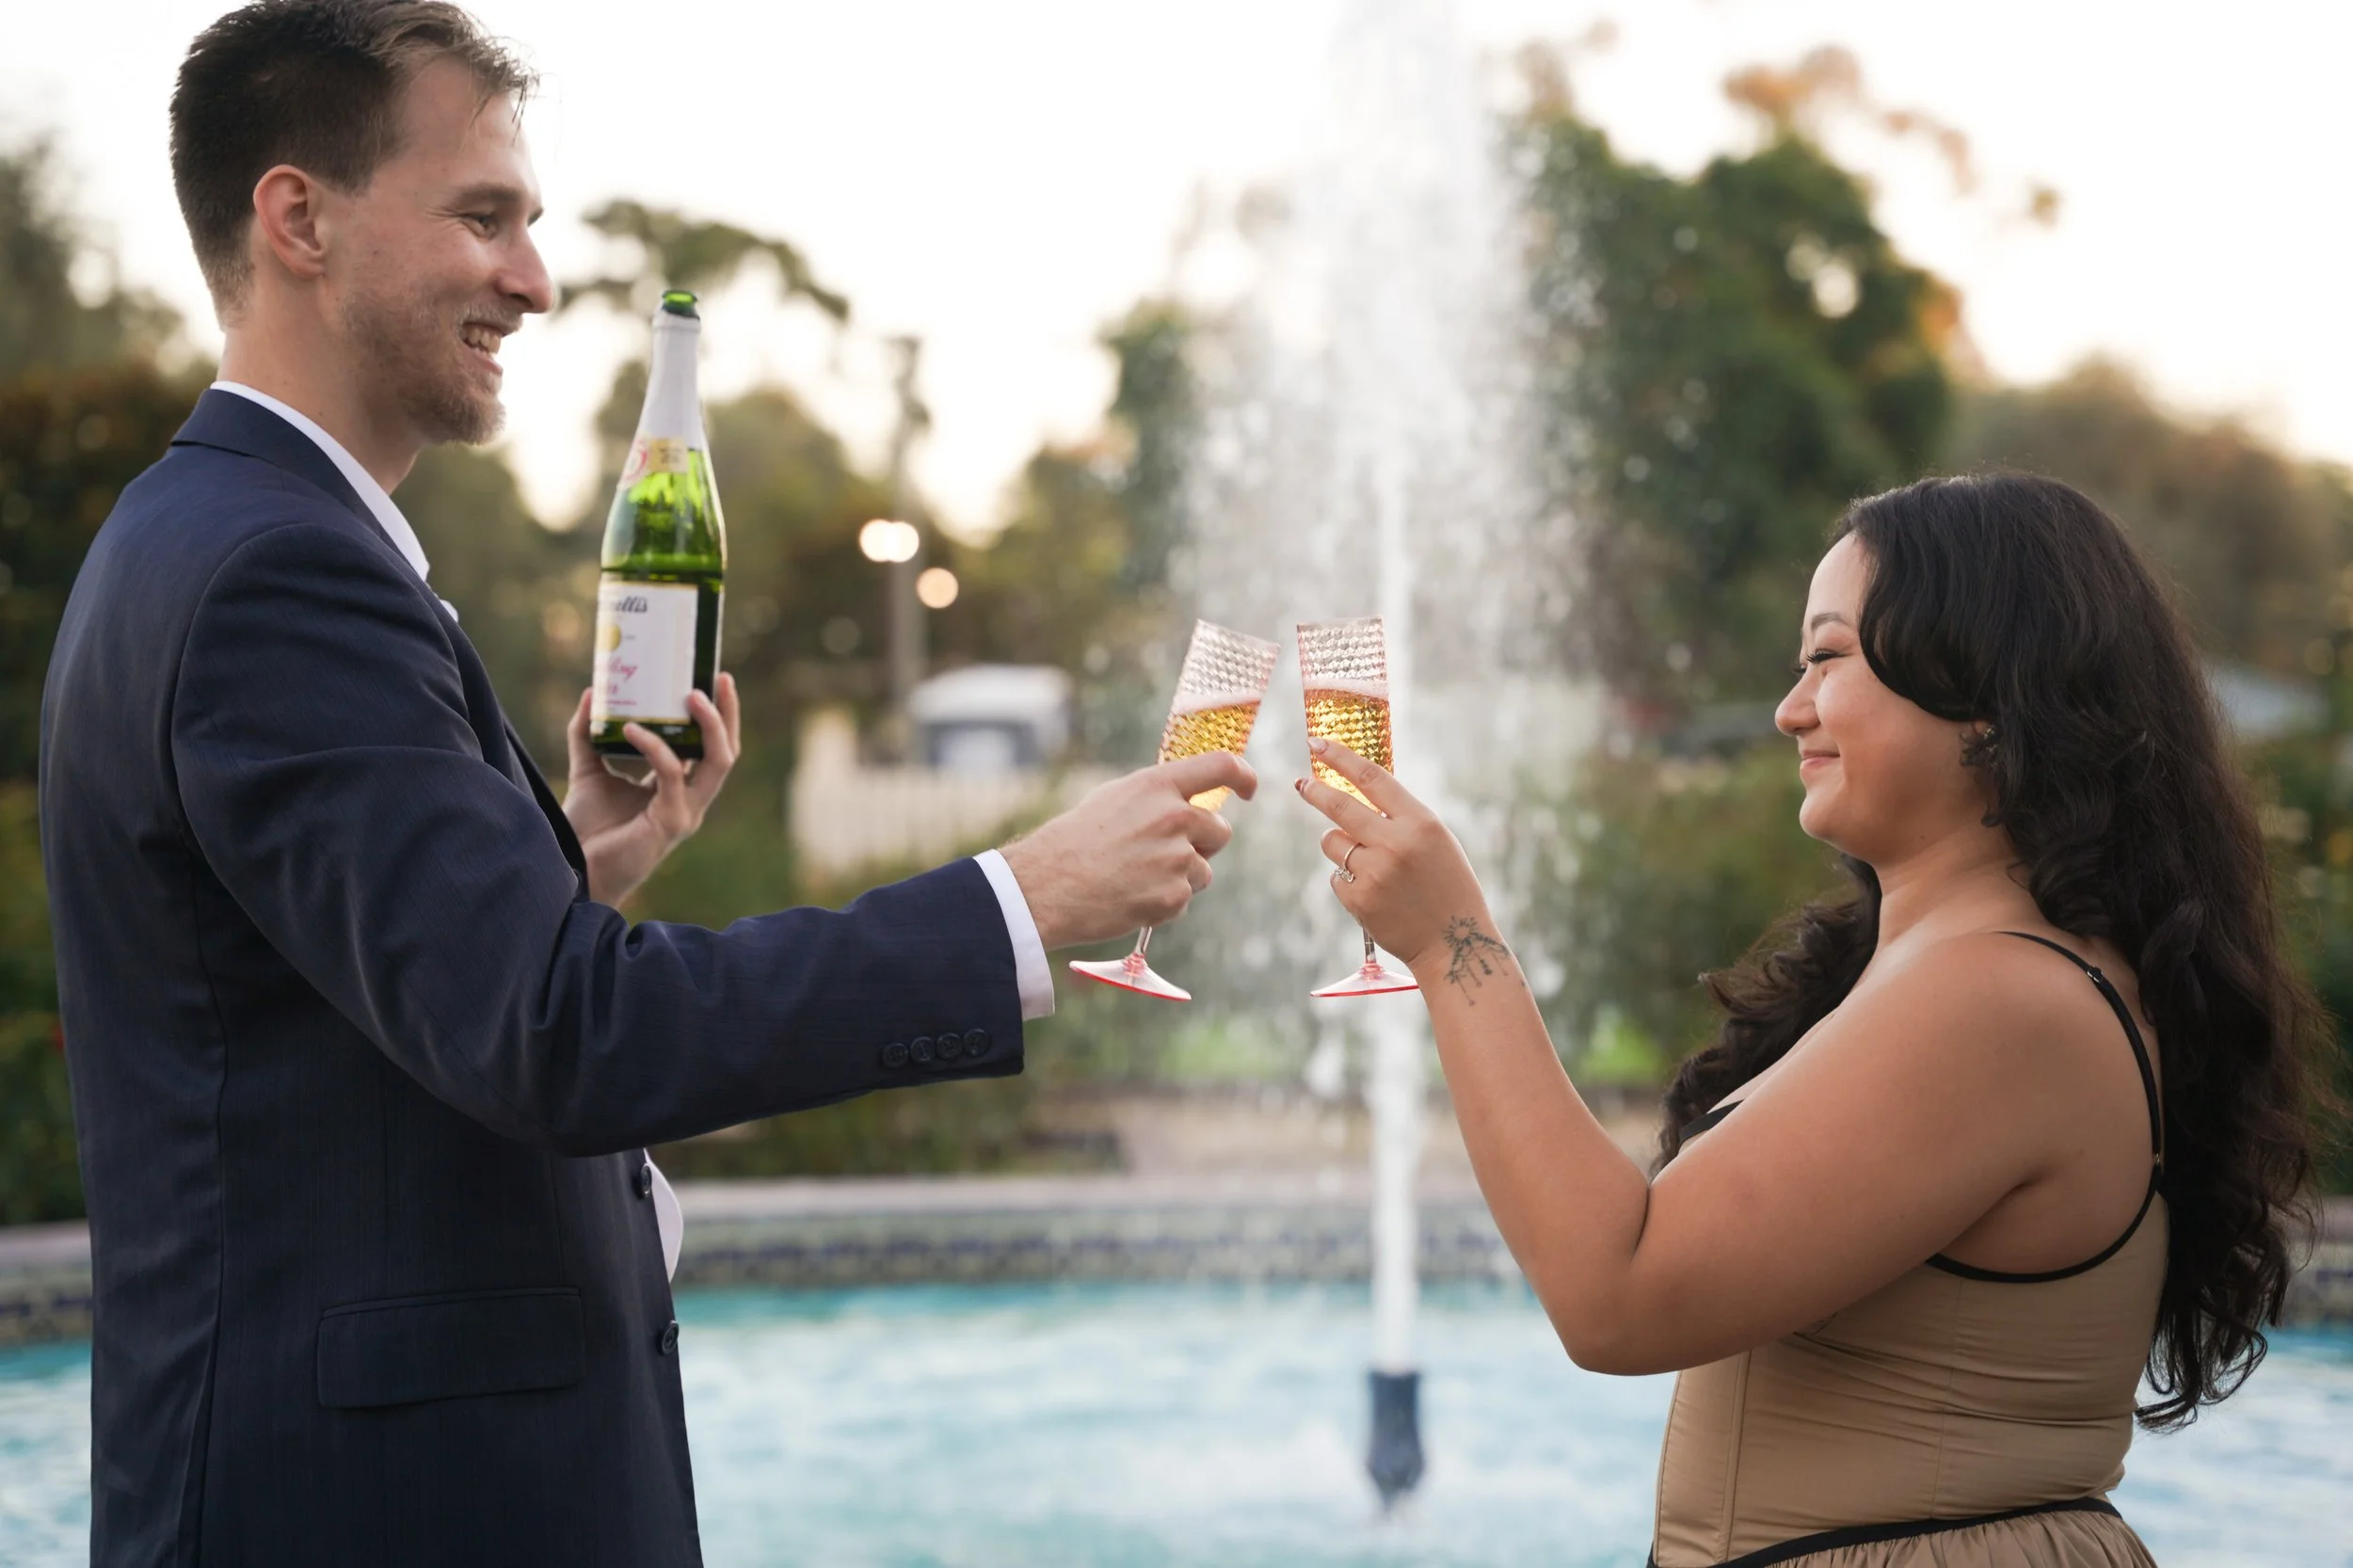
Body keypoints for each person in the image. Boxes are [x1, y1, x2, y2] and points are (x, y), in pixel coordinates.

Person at [38, 3, 1255, 1563]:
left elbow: (330, 1006)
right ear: (299, 220)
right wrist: (1020, 905)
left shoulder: (209, 536)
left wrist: (568, 873)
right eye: (482, 217)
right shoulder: (284, 577)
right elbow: (566, 1039)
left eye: (531, 227)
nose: (533, 281)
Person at [1298, 473, 2328, 1566]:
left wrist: (1454, 941)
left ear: (1985, 691)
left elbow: (1617, 1298)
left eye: (1828, 657)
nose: (1790, 707)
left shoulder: (2001, 1001)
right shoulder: (1965, 975)